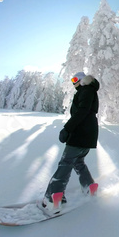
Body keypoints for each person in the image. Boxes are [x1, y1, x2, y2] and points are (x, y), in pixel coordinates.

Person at [42, 72, 100, 216]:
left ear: (82, 81)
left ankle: (53, 198)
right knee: (78, 162)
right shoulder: (89, 90)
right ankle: (89, 186)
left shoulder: (86, 90)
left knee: (65, 163)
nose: (73, 82)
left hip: (80, 134)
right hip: (88, 135)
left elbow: (82, 111)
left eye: (75, 79)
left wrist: (67, 128)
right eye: (72, 79)